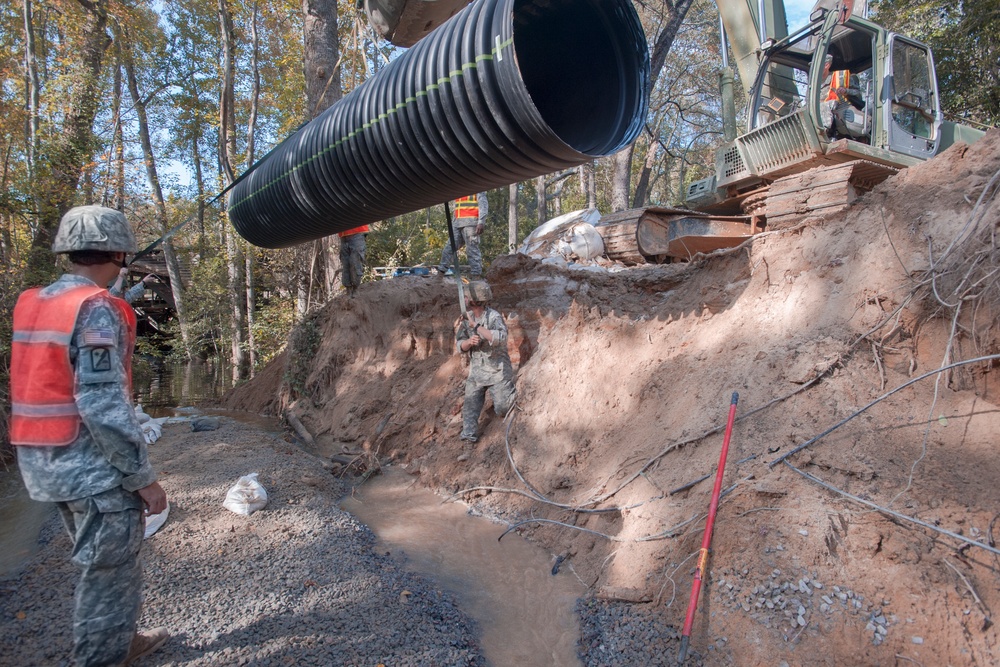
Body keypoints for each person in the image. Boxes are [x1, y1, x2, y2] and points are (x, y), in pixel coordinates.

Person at [10, 205, 169, 666]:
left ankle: (118, 639)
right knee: (110, 571)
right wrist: (142, 476)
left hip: (42, 461)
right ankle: (102, 655)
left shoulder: (36, 301)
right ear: (120, 252)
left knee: (100, 560)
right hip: (92, 467)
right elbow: (101, 404)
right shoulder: (96, 309)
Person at [454, 280, 516, 443]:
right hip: (477, 373)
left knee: (503, 408)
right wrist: (469, 342)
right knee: (470, 406)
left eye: (466, 297)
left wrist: (476, 327)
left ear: (475, 300)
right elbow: (460, 344)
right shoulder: (465, 319)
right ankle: (468, 437)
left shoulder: (493, 316)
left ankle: (510, 393)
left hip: (497, 371)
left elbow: (501, 338)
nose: (464, 300)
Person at [439, 192, 488, 277]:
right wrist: (454, 222)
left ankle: (476, 276)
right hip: (457, 223)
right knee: (449, 247)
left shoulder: (477, 187)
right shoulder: (460, 189)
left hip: (471, 222)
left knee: (472, 250)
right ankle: (440, 273)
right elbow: (457, 208)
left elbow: (483, 204)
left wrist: (481, 222)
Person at [819, 55, 866, 140]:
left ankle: (824, 133)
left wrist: (846, 91)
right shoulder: (814, 85)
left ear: (826, 65)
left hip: (839, 116)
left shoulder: (840, 78)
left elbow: (858, 94)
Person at [338, 225, 368, 298]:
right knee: (346, 265)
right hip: (343, 237)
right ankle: (348, 290)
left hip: (357, 234)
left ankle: (355, 289)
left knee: (355, 263)